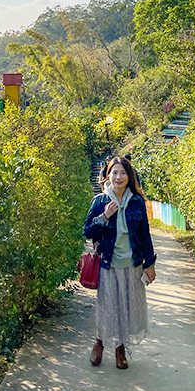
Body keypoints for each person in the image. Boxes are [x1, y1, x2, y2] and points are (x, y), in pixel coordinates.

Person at [83, 156, 156, 369]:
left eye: (123, 173)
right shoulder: (99, 202)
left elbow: (145, 234)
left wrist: (149, 264)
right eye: (114, 172)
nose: (118, 177)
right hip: (108, 264)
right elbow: (88, 231)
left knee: (126, 308)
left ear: (129, 176)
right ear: (108, 176)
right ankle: (99, 343)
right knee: (107, 307)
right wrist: (104, 217)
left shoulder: (137, 201)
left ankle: (120, 349)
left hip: (132, 265)